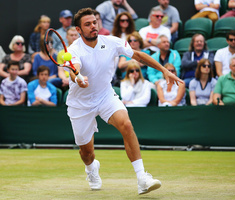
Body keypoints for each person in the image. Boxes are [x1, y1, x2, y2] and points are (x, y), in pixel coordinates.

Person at [67, 8, 182, 194]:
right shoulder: (73, 50)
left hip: (105, 96)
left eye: (94, 22)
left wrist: (164, 70)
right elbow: (74, 70)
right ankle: (91, 168)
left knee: (126, 125)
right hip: (80, 104)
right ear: (79, 30)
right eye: (87, 24)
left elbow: (138, 55)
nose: (92, 26)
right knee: (86, 153)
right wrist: (78, 78)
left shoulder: (112, 41)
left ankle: (142, 178)